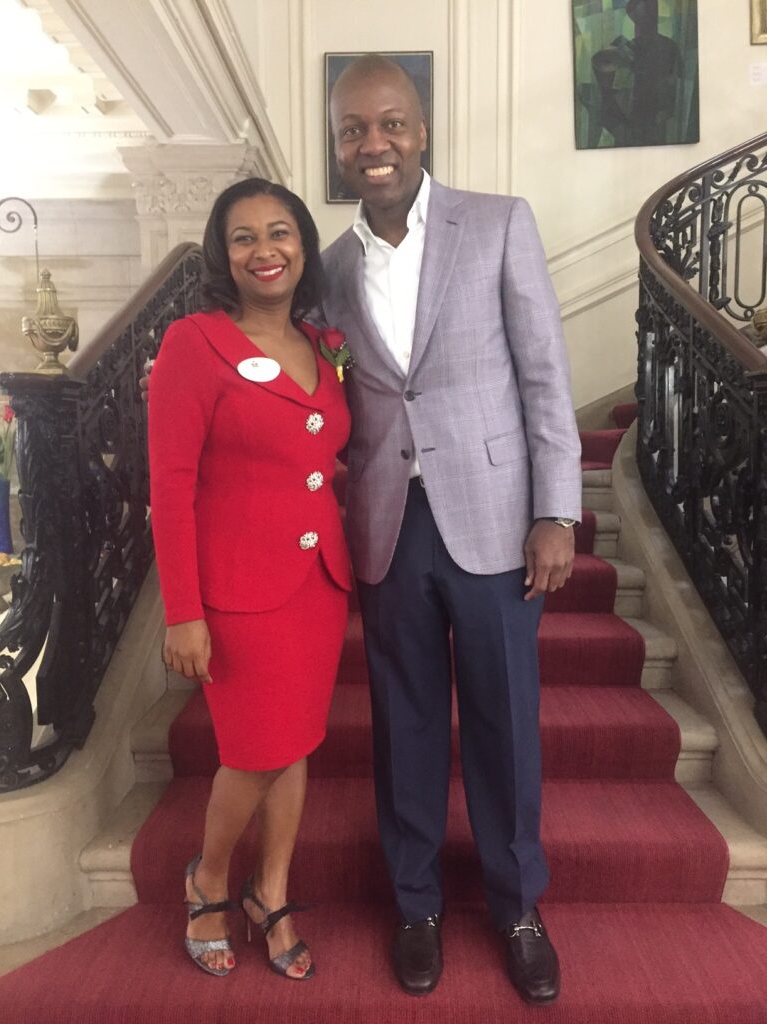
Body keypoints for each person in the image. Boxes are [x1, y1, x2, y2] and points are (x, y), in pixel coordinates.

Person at [322, 55, 581, 1003]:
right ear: (340, 144)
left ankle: (517, 907)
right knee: (407, 725)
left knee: (506, 720)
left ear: (420, 131)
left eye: (390, 124)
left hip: (496, 521)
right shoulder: (332, 268)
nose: (373, 144)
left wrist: (556, 511)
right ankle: (417, 902)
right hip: (389, 528)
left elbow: (546, 376)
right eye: (355, 130)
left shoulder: (499, 223)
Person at [148, 178, 351, 980]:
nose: (264, 250)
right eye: (243, 238)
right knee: (255, 751)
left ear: (303, 245)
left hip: (318, 585)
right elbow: (170, 483)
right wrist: (181, 611)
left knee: (293, 743)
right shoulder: (193, 343)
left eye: (280, 233)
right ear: (222, 256)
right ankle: (207, 878)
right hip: (237, 591)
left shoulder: (325, 343)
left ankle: (271, 892)